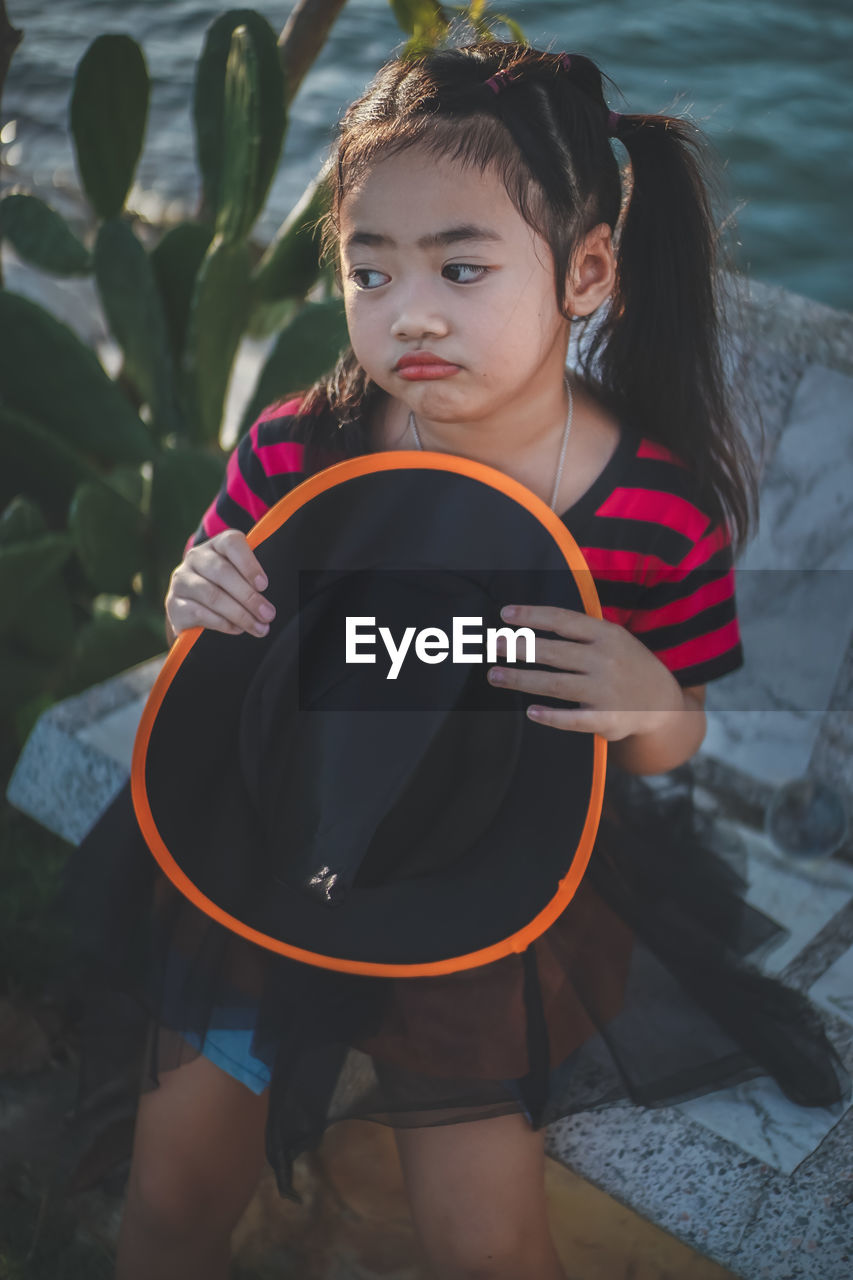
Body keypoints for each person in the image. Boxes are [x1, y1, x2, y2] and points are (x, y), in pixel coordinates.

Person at [62, 39, 847, 1280]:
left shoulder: (651, 508)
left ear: (587, 270)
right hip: (273, 845)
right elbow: (216, 612)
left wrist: (644, 693)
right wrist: (190, 592)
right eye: (370, 270)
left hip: (496, 888)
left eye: (461, 265)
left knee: (485, 1241)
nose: (408, 308)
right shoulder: (302, 451)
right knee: (170, 1193)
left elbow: (676, 720)